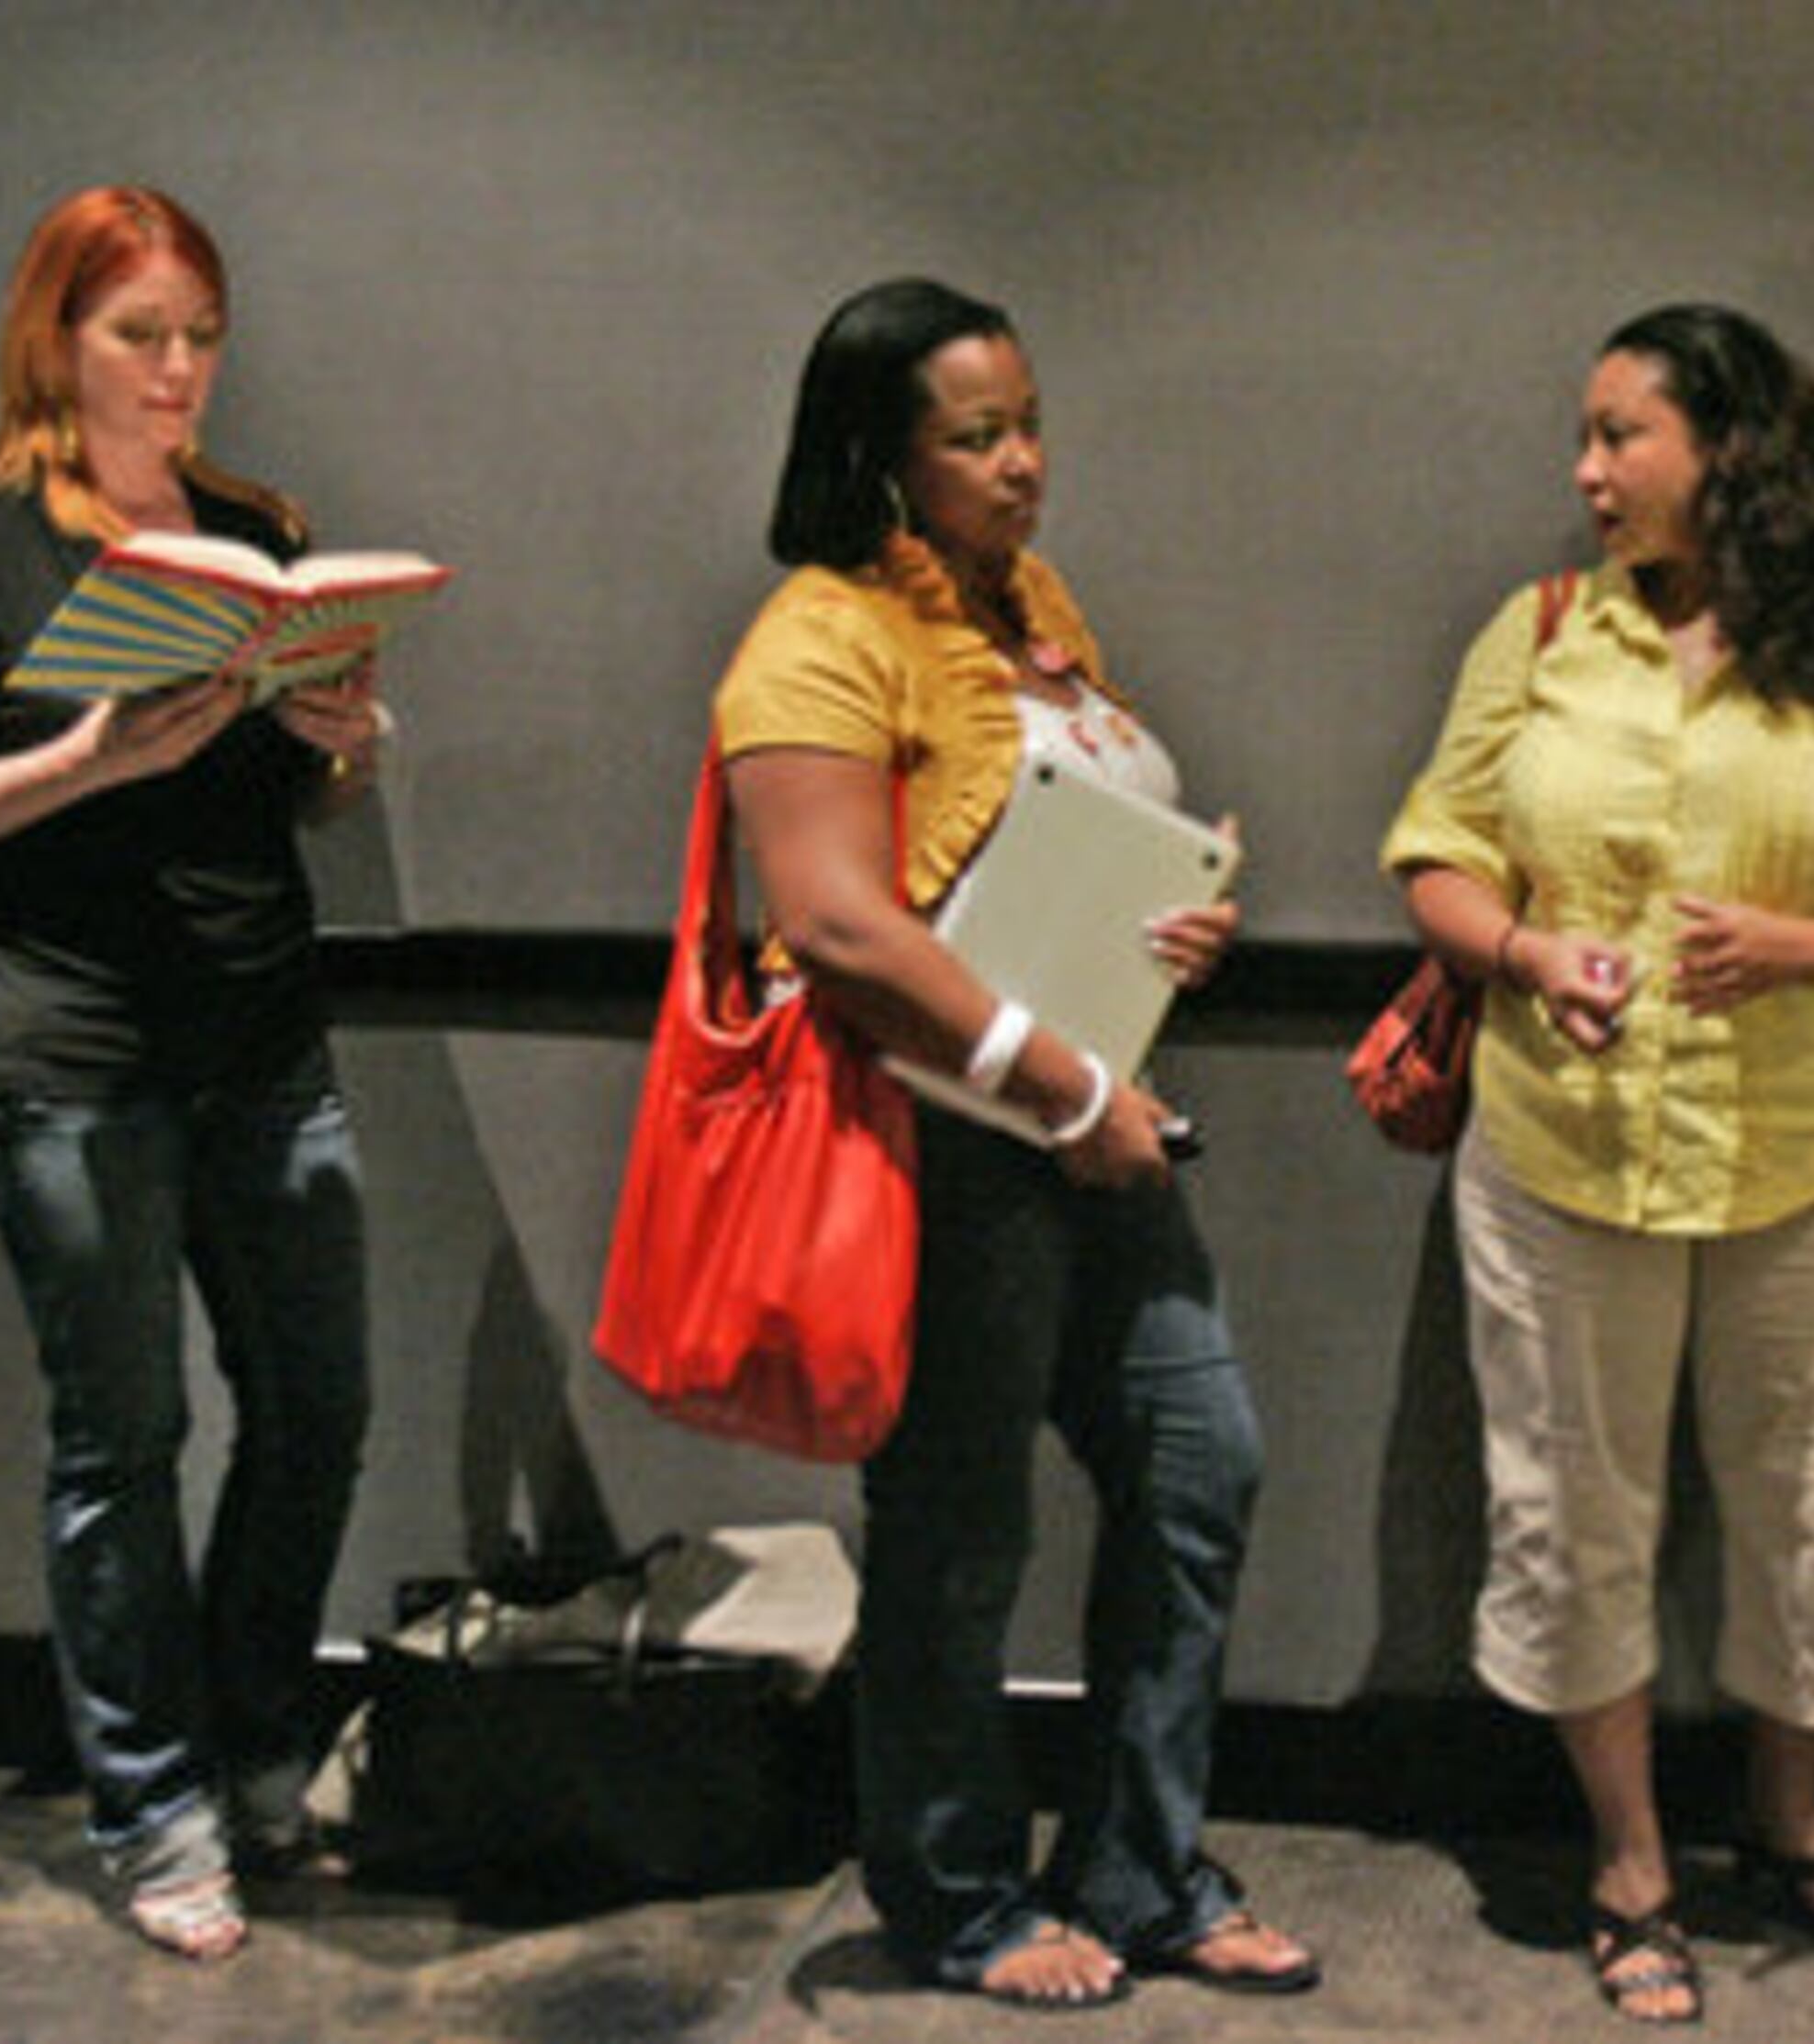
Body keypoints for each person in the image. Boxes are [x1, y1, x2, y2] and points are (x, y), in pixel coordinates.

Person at [1383, 304, 1814, 2026]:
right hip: (1561, 1148)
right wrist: (1527, 959)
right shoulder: (1542, 634)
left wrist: (1806, 949)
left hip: (1801, 1150)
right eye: (1582, 440)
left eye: (1618, 436)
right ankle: (1631, 1861)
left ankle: (1792, 1825)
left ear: (1727, 450)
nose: (1584, 474)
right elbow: (1437, 849)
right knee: (1575, 1506)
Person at [711, 278, 1316, 2011]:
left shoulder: (1027, 606)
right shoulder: (819, 636)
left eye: (1029, 423)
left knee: (1200, 1464)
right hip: (947, 1142)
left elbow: (1033, 857)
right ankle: (959, 1896)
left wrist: (1164, 921)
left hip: (1086, 1127)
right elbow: (834, 927)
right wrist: (1059, 1086)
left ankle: (1139, 1868)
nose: (1024, 464)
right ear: (878, 458)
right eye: (976, 437)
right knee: (961, 1534)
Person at [0, 186, 388, 1961]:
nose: (176, 373)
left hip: (258, 1035)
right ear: (57, 341)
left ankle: (248, 1748)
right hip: (65, 1050)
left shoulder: (256, 532)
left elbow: (305, 798)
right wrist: (82, 757)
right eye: (138, 336)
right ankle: (155, 1800)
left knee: (316, 1408)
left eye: (199, 338)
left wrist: (339, 742)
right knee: (125, 1437)